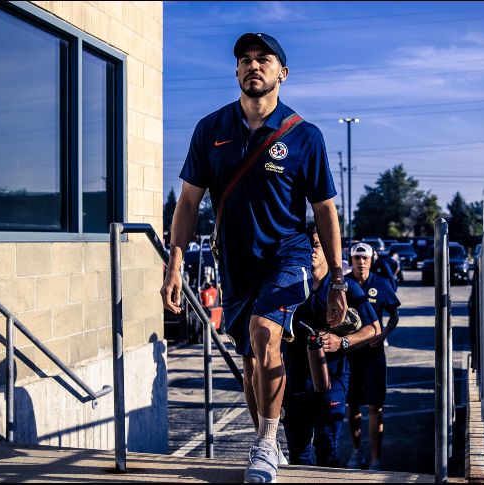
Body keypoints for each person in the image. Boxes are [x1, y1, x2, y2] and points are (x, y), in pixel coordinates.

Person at [161, 32, 347, 484]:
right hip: (235, 264)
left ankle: (264, 443)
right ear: (236, 71)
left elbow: (324, 210)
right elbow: (187, 204)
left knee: (266, 334)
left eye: (263, 59)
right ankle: (269, 436)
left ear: (282, 72)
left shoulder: (305, 136)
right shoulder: (211, 130)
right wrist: (174, 263)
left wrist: (337, 279)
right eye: (244, 60)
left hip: (289, 255)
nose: (252, 66)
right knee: (249, 363)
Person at [283, 224, 382, 467]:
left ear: (328, 249)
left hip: (332, 380)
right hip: (295, 382)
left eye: (316, 245)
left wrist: (342, 341)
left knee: (327, 450)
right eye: (306, 246)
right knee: (298, 455)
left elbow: (375, 329)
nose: (311, 251)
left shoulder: (342, 287)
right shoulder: (290, 285)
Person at [345, 242, 401, 470]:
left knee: (375, 407)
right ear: (351, 260)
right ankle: (356, 451)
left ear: (371, 259)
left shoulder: (381, 283)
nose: (361, 262)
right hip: (350, 353)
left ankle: (376, 458)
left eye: (364, 258)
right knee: (353, 406)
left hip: (374, 354)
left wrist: (385, 332)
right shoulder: (343, 283)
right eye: (357, 258)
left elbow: (394, 313)